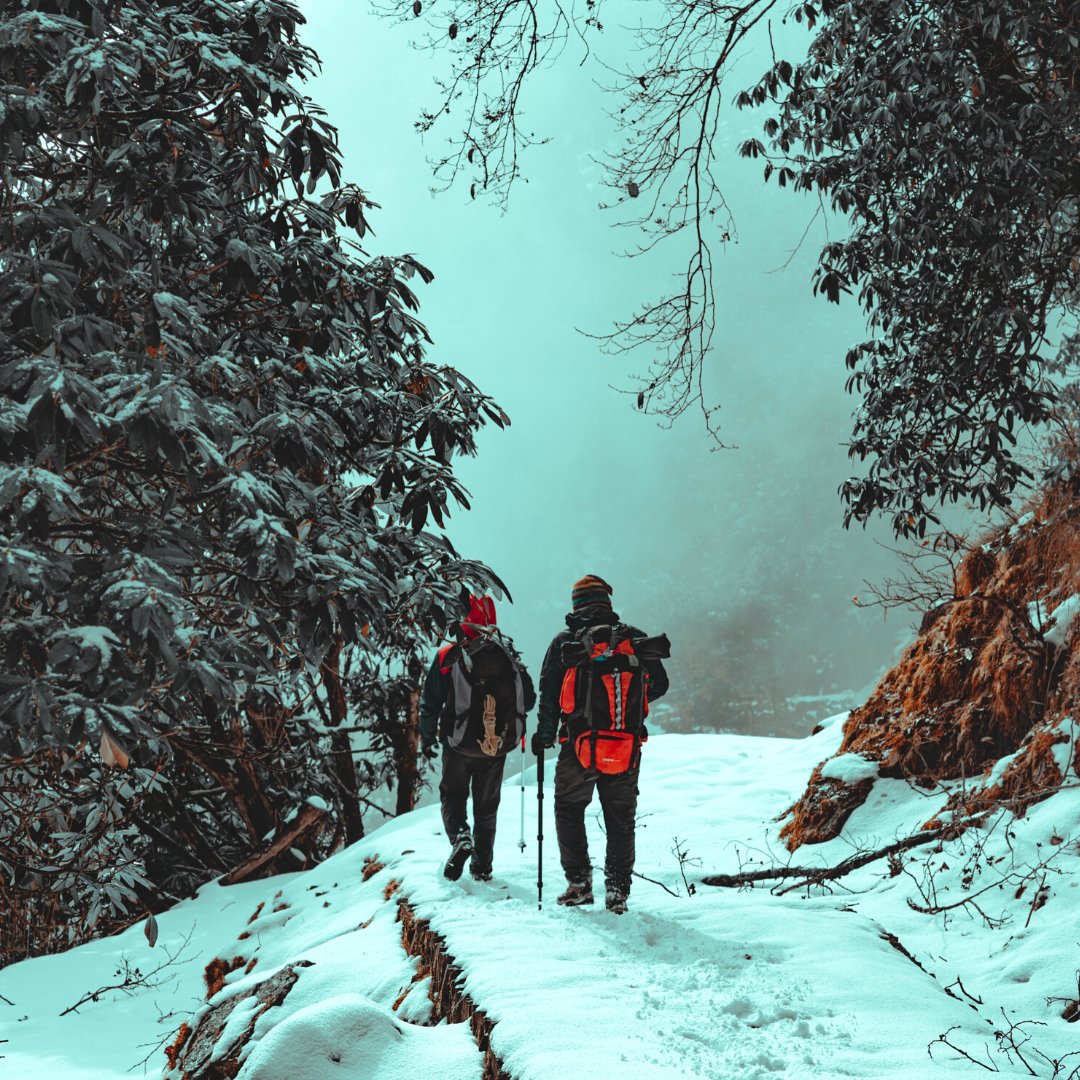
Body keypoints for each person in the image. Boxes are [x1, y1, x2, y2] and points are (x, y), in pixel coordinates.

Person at [533, 575, 669, 914]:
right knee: (620, 818)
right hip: (625, 744)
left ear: (576, 605)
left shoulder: (567, 642)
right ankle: (617, 891)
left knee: (569, 809)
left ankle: (579, 883)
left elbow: (549, 693)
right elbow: (661, 685)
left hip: (579, 743)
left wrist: (546, 734)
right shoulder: (634, 639)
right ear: (607, 602)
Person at [420, 594, 536, 882]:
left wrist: (427, 739)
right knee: (487, 807)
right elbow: (530, 699)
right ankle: (482, 868)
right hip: (495, 747)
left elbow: (430, 702)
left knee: (453, 795)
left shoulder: (450, 654)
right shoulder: (506, 652)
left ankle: (460, 838)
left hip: (458, 744)